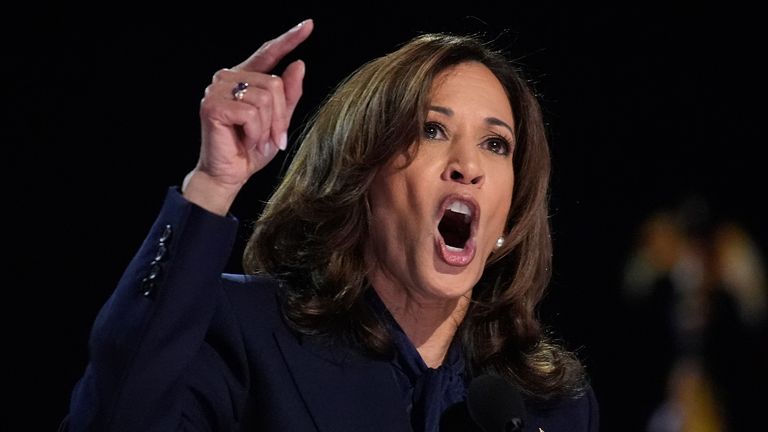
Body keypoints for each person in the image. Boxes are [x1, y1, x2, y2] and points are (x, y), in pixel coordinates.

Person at [60, 18, 599, 432]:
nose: (469, 164)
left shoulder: (550, 403)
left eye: (495, 143)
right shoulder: (247, 336)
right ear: (361, 181)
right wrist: (213, 185)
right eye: (432, 130)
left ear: (510, 214)